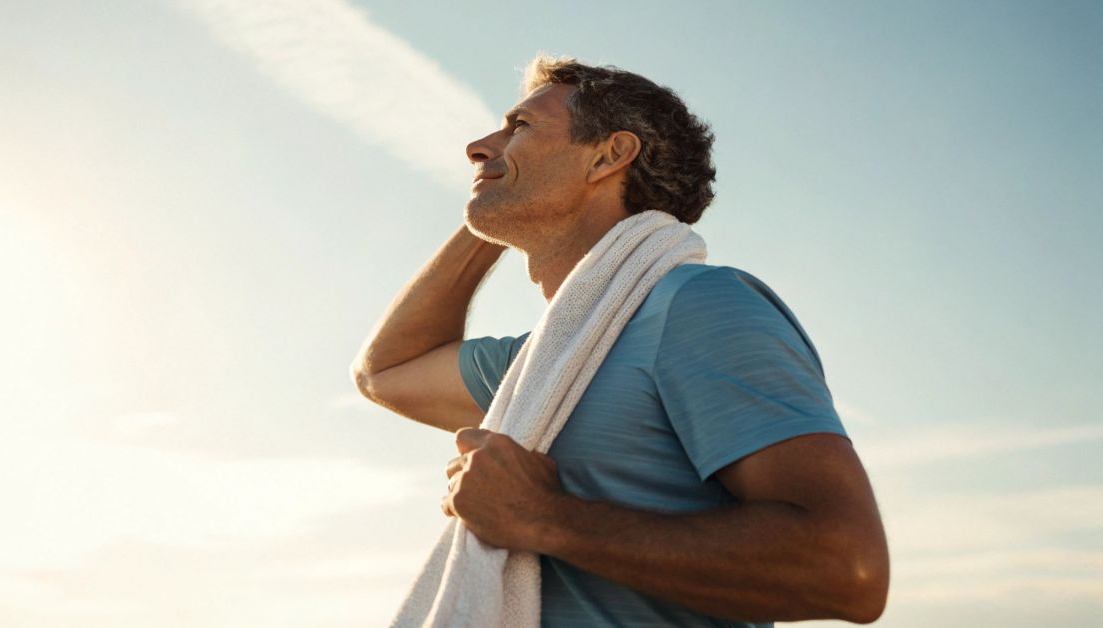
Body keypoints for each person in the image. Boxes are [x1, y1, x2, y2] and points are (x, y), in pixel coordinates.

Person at [350, 54, 889, 626]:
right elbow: (386, 371)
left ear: (609, 155)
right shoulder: (548, 366)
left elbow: (846, 569)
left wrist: (542, 518)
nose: (479, 145)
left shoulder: (693, 306)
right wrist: (498, 193)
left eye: (521, 126)